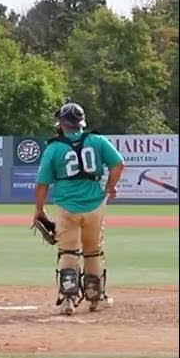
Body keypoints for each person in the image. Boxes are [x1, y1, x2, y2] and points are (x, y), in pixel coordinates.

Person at [33, 102, 124, 315]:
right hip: (95, 204)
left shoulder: (54, 147)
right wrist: (110, 187)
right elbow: (118, 165)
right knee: (93, 251)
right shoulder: (98, 141)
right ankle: (95, 297)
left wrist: (39, 210)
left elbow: (42, 183)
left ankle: (67, 299)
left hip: (66, 206)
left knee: (68, 251)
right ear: (81, 123)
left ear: (62, 124)